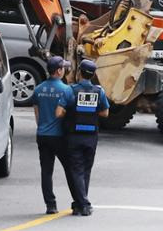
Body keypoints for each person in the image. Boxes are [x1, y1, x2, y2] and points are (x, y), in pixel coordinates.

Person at [55, 59, 109, 216]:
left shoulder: (71, 91)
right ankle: (79, 203)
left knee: (76, 170)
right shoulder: (99, 91)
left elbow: (59, 113)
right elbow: (105, 113)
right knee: (86, 170)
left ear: (79, 72)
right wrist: (91, 111)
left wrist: (71, 112)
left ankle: (83, 204)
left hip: (74, 136)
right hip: (91, 136)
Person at [32, 56, 75, 214]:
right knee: (70, 169)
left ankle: (51, 205)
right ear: (59, 70)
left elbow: (37, 115)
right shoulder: (66, 90)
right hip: (59, 137)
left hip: (42, 135)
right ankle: (77, 200)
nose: (65, 70)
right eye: (63, 68)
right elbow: (70, 114)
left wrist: (43, 127)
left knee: (46, 171)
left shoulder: (38, 90)